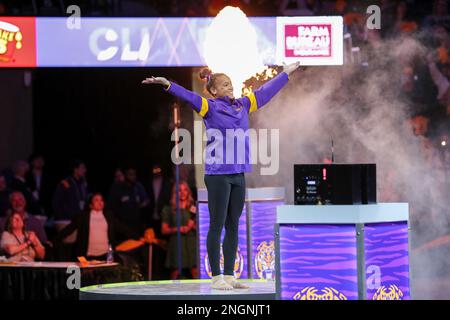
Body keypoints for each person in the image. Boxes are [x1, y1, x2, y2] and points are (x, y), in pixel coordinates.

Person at [142, 61, 302, 289]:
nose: (231, 87)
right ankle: (215, 276)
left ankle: (229, 275)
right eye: (226, 85)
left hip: (238, 174)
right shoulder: (210, 107)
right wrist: (168, 85)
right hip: (218, 175)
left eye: (231, 84)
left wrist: (285, 74)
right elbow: (189, 96)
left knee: (233, 225)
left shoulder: (243, 105)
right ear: (214, 90)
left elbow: (265, 93)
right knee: (216, 225)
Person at [53, 193, 137, 260]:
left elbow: (122, 228)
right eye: (96, 200)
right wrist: (54, 241)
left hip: (106, 256)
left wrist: (137, 237)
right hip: (88, 256)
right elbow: (69, 229)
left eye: (101, 200)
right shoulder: (83, 217)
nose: (100, 202)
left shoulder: (109, 216)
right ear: (90, 205)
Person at [161, 181, 197, 280]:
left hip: (191, 243)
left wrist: (192, 225)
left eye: (185, 190)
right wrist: (179, 229)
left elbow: (201, 229)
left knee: (195, 272)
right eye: (179, 190)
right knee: (175, 273)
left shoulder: (194, 208)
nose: (182, 193)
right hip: (176, 244)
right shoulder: (169, 209)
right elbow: (164, 230)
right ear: (175, 193)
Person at [107, 167, 149, 242]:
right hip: (122, 228)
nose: (133, 177)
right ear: (126, 175)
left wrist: (139, 207)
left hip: (136, 226)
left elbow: (146, 200)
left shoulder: (137, 186)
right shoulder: (116, 188)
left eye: (134, 174)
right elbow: (112, 209)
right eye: (130, 174)